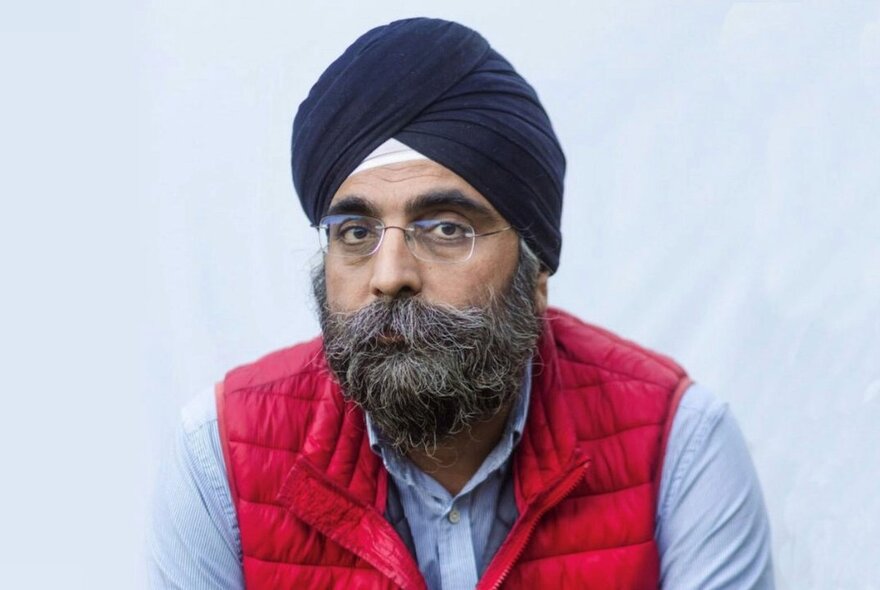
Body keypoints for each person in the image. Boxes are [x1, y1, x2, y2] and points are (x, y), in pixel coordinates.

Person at [148, 17, 773, 589]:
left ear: (536, 271)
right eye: (356, 233)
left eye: (446, 229)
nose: (389, 275)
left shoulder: (680, 446)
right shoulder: (220, 459)